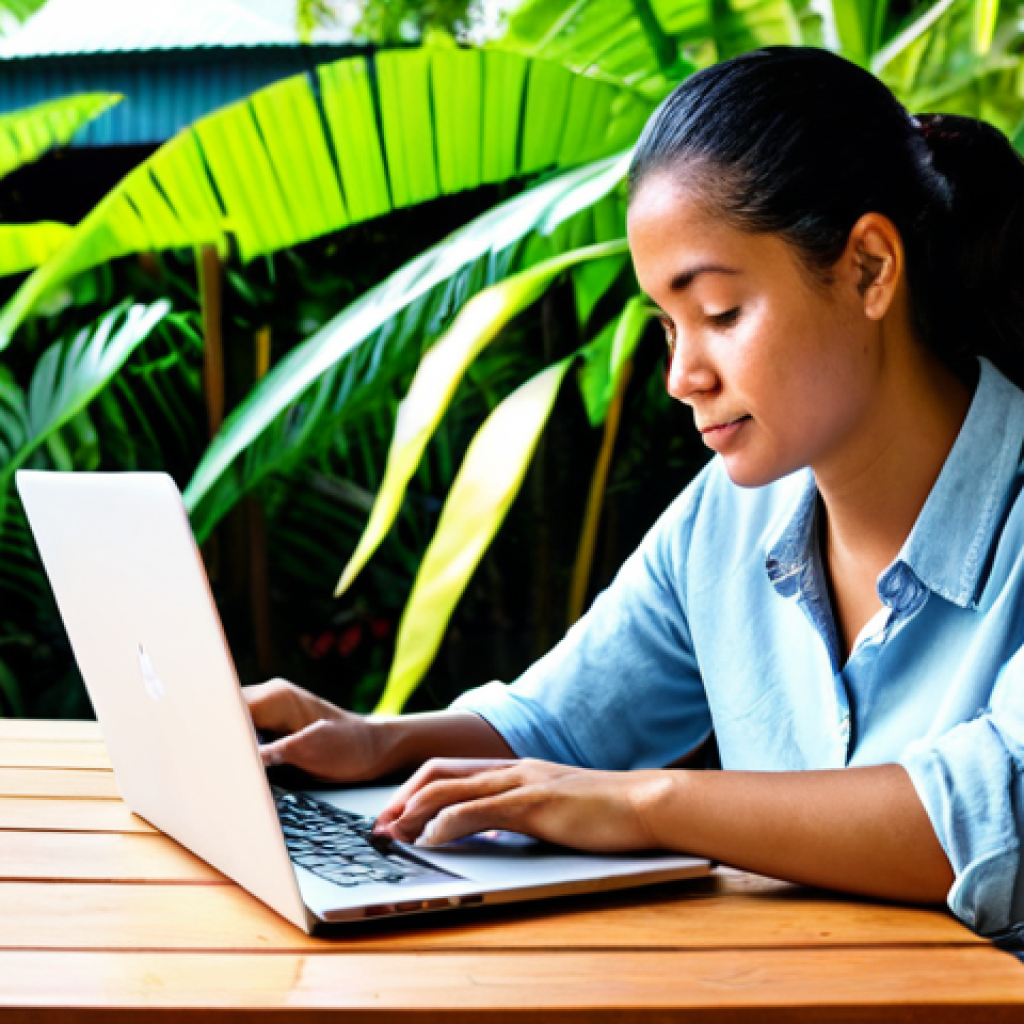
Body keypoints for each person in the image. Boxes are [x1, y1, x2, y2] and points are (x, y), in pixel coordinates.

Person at [245, 46, 1024, 944]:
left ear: (869, 269)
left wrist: (646, 804)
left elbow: (992, 817)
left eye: (720, 312)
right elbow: (562, 727)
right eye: (667, 325)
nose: (681, 377)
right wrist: (375, 741)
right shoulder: (729, 514)